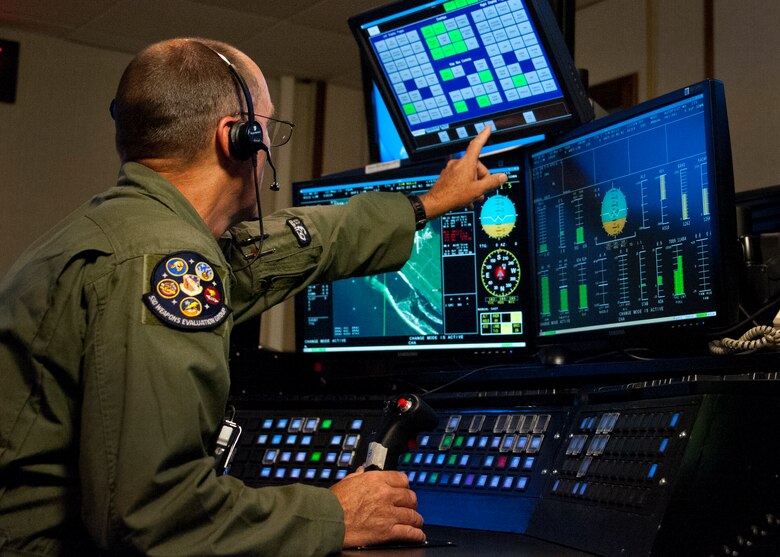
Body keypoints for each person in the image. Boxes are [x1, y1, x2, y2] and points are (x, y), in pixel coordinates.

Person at [0, 38, 507, 556]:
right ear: (236, 138)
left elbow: (285, 247)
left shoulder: (118, 232)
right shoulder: (160, 259)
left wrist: (425, 204)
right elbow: (154, 517)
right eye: (267, 129)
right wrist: (336, 514)